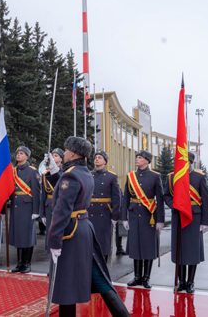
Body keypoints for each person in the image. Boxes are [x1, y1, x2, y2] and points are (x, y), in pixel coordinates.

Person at [48, 136, 128, 317]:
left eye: (67, 150)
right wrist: (54, 171)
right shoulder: (83, 172)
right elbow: (67, 185)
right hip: (84, 228)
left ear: (74, 153)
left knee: (66, 282)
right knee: (99, 277)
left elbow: (62, 210)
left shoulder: (72, 175)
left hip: (70, 232)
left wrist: (54, 240)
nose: (65, 152)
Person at [164, 152, 208, 293]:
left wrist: (204, 221)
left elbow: (205, 199)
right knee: (180, 250)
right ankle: (182, 281)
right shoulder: (172, 177)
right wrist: (175, 205)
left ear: (190, 162)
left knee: (192, 251)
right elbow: (166, 195)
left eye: (185, 161)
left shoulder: (199, 177)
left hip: (194, 217)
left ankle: (190, 282)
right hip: (178, 216)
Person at [121, 150, 165, 289]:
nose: (137, 160)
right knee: (135, 246)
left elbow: (160, 199)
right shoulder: (131, 176)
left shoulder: (155, 176)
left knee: (147, 246)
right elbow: (126, 198)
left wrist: (160, 220)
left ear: (147, 160)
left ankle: (146, 277)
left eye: (140, 158)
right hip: (134, 215)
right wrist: (124, 218)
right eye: (137, 157)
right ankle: (137, 276)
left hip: (149, 215)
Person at [9, 146, 41, 273]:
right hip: (16, 206)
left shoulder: (33, 171)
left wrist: (36, 211)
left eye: (21, 153)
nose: (18, 155)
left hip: (27, 207)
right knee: (18, 236)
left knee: (27, 236)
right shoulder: (13, 171)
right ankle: (19, 263)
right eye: (17, 153)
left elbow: (37, 193)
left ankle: (27, 263)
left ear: (27, 156)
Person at [88, 151, 122, 262]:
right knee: (89, 242)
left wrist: (115, 216)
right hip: (89, 212)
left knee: (103, 243)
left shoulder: (111, 176)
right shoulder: (88, 175)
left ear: (105, 161)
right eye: (95, 157)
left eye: (100, 158)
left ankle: (103, 268)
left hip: (105, 213)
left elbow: (117, 198)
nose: (96, 159)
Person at [40, 148, 63, 238]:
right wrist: (42, 213)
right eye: (52, 156)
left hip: (60, 205)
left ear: (61, 159)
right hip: (49, 206)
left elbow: (59, 181)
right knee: (49, 234)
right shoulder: (45, 173)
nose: (53, 158)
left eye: (56, 156)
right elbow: (43, 195)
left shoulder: (65, 172)